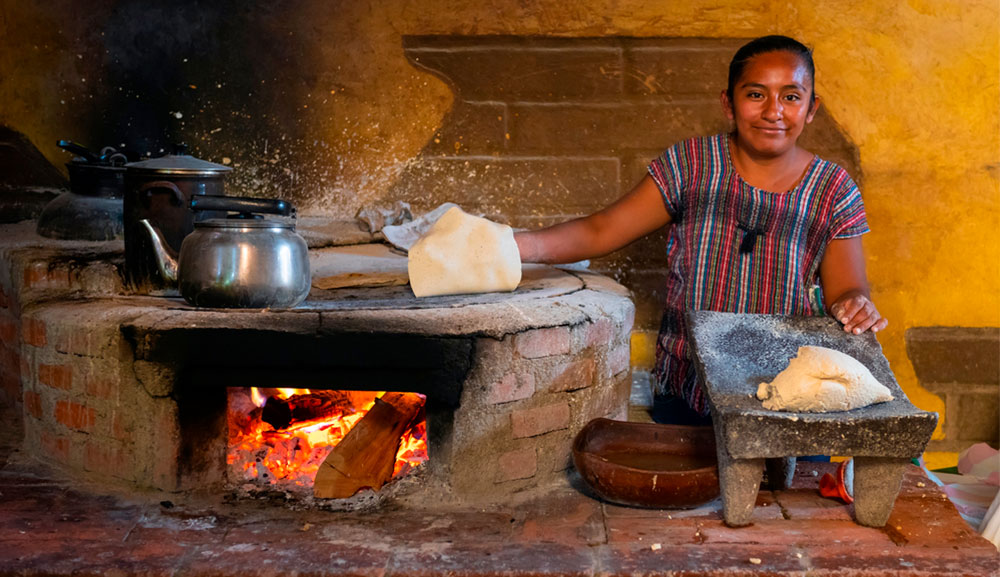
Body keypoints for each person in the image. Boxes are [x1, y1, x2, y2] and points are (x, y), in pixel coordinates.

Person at [513, 35, 888, 420]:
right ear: (728, 103)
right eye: (755, 94)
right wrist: (509, 248)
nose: (773, 111)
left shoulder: (833, 189)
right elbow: (601, 230)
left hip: (788, 395)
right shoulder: (691, 165)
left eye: (791, 97)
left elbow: (847, 289)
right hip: (687, 388)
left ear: (811, 108)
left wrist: (854, 305)